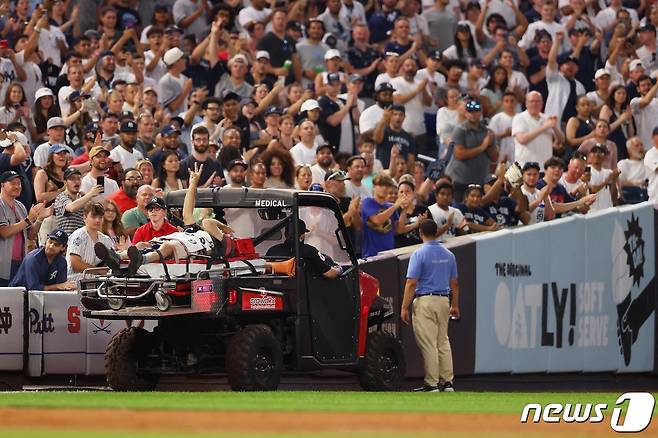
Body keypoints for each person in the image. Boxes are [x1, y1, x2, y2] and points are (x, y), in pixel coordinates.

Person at [94, 164, 235, 277]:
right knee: (142, 245)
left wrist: (225, 229)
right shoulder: (192, 229)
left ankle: (142, 260)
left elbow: (209, 223)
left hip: (191, 249)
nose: (153, 211)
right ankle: (116, 257)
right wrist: (192, 184)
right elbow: (187, 210)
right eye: (151, 209)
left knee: (168, 246)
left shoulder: (220, 242)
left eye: (157, 209)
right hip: (177, 241)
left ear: (164, 212)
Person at [400, 218, 459, 393]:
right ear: (436, 232)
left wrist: (404, 307)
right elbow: (454, 283)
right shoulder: (449, 255)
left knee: (428, 343)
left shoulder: (419, 253)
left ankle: (431, 384)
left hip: (425, 300)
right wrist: (455, 304)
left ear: (420, 233)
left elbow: (411, 283)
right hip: (444, 300)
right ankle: (448, 383)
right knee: (443, 342)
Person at [0, 170, 48, 286]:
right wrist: (28, 219)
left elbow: (30, 235)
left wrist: (40, 218)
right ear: (2, 185)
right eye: (13, 183)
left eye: (19, 183)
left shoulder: (20, 206)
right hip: (2, 263)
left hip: (20, 262)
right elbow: (4, 232)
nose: (17, 186)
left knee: (16, 300)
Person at [266, 218, 343, 279]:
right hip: (303, 295)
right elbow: (329, 274)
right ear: (302, 236)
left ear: (285, 234)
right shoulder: (310, 251)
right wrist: (339, 269)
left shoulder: (272, 251)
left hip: (274, 292)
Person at [9, 229, 75, 291]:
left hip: (42, 296)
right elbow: (33, 288)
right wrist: (57, 286)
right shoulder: (33, 258)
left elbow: (62, 286)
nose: (51, 246)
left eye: (56, 245)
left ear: (63, 248)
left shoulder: (62, 262)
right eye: (50, 242)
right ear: (46, 241)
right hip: (17, 295)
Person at [66, 202, 116, 282]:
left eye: (100, 217)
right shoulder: (79, 235)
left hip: (96, 281)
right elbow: (75, 264)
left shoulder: (105, 239)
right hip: (74, 281)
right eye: (94, 217)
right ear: (85, 218)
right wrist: (99, 270)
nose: (97, 220)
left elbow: (111, 262)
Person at [361, 174, 407, 258]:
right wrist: (395, 206)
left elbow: (398, 230)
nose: (384, 188)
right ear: (374, 187)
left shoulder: (390, 206)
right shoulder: (367, 202)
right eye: (381, 185)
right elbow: (377, 220)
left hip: (389, 253)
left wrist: (404, 209)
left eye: (387, 185)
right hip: (371, 254)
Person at [53, 168, 103, 237]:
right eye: (72, 179)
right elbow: (71, 208)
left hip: (84, 238)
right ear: (65, 182)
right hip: (68, 240)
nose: (76, 181)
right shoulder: (61, 197)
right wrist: (90, 194)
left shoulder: (83, 197)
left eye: (78, 179)